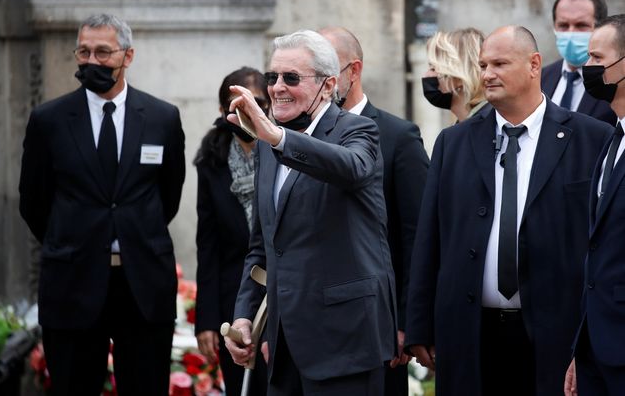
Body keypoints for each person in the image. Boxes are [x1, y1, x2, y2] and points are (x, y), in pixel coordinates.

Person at [404, 25, 611, 396]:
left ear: (534, 65)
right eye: (483, 65)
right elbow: (430, 238)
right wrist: (420, 326)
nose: (487, 74)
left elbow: (604, 244)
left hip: (556, 336)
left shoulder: (591, 138)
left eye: (499, 63)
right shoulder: (454, 142)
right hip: (470, 334)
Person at [18, 14, 186, 396]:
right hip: (73, 283)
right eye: (84, 51)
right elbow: (34, 200)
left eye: (103, 52)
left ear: (127, 56)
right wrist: (73, 239)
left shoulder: (162, 117)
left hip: (142, 284)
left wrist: (132, 233)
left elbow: (168, 196)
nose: (92, 61)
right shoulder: (49, 120)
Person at [224, 29, 397, 395]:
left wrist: (277, 137)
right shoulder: (271, 145)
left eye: (291, 78)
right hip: (284, 347)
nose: (277, 88)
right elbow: (263, 245)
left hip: (346, 343)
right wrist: (243, 316)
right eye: (273, 77)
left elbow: (350, 167)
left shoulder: (358, 130)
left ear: (328, 84)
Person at [319, 25, 429, 396]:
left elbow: (416, 235)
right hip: (314, 326)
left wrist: (405, 322)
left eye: (329, 70)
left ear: (354, 71)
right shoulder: (297, 140)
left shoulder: (399, 137)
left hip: (378, 326)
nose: (322, 81)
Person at [194, 66, 269, 396]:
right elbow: (206, 245)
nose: (246, 113)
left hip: (283, 295)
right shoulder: (212, 162)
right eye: (235, 105)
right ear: (223, 110)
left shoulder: (288, 150)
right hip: (232, 299)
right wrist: (207, 320)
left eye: (256, 103)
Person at [565, 14, 625, 396]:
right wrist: (579, 348)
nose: (585, 68)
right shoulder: (611, 140)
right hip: (596, 348)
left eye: (596, 59)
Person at [542, 0, 616, 125]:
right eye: (563, 25)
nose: (571, 33)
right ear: (554, 27)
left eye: (581, 25)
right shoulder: (541, 78)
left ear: (601, 28)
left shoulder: (615, 81)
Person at [421, 27, 488, 122]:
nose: (427, 75)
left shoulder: (490, 128)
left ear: (460, 75)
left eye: (433, 68)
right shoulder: (461, 129)